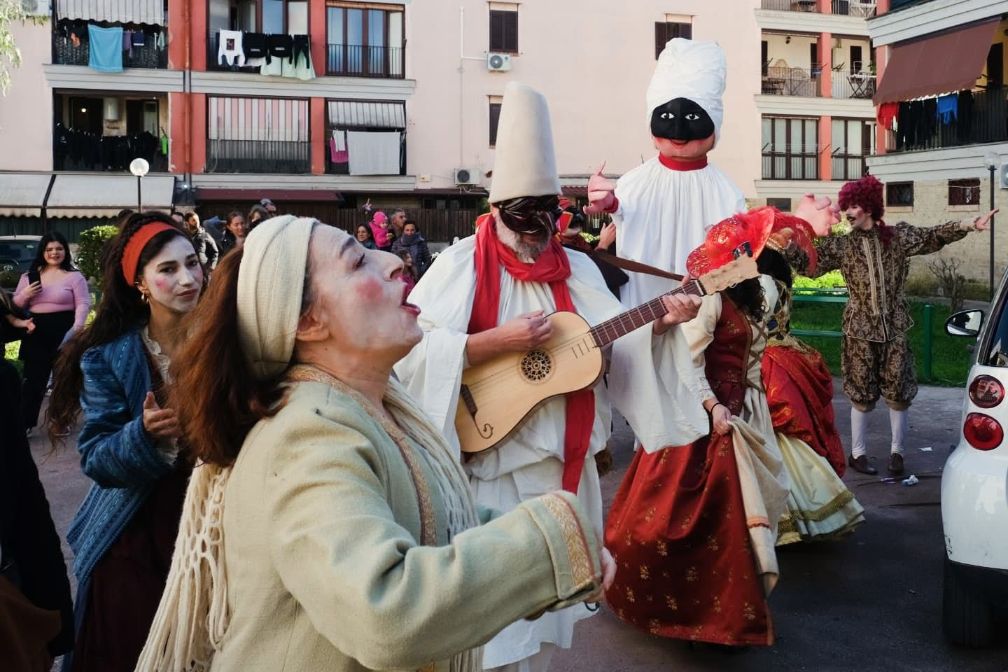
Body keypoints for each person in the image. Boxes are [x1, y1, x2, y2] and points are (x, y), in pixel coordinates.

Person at [135, 215, 613, 672]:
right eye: (358, 261)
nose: (393, 262)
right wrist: (549, 542)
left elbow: (435, 520)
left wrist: (560, 541)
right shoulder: (308, 432)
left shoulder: (365, 409)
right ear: (307, 323)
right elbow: (384, 611)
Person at [395, 82, 704, 672]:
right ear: (496, 211)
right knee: (491, 630)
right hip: (488, 474)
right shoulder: (462, 263)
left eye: (546, 215)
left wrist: (663, 322)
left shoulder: (579, 267)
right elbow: (409, 351)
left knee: (540, 627)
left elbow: (618, 341)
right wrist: (494, 342)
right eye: (524, 217)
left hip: (562, 476)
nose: (537, 230)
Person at [603, 208, 791, 648]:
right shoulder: (709, 297)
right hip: (699, 425)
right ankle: (686, 613)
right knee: (674, 521)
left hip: (729, 417)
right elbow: (687, 359)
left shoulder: (742, 297)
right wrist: (711, 407)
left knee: (723, 526)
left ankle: (724, 616)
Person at [46, 213, 205, 672]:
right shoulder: (109, 357)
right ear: (140, 283)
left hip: (214, 523)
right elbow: (96, 457)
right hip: (135, 530)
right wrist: (143, 435)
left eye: (192, 264)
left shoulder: (224, 343)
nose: (187, 279)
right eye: (168, 270)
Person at [789, 175, 996, 476]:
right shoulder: (842, 245)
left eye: (854, 205)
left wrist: (967, 224)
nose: (847, 212)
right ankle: (858, 454)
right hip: (858, 330)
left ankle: (897, 453)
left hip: (894, 328)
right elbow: (809, 264)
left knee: (899, 393)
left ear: (870, 207)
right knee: (860, 394)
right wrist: (779, 239)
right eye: (846, 206)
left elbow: (932, 236)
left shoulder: (897, 238)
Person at [584, 38, 745, 308]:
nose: (678, 133)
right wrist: (607, 203)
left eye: (693, 118)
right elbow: (622, 209)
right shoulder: (633, 182)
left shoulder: (727, 194)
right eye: (667, 118)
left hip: (701, 320)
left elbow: (739, 261)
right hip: (639, 315)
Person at [758, 216, 865, 544]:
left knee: (773, 437)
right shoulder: (778, 279)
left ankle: (784, 517)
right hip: (786, 356)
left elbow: (755, 323)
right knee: (784, 439)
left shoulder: (761, 283)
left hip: (766, 361)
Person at [12, 231, 90, 434]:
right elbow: (16, 305)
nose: (54, 253)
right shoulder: (30, 276)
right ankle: (26, 422)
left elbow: (83, 303)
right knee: (33, 379)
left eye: (59, 249)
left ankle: (61, 419)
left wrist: (77, 327)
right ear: (43, 252)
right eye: (49, 249)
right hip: (36, 329)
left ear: (65, 250)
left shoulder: (74, 276)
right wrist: (25, 294)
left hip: (65, 328)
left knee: (63, 378)